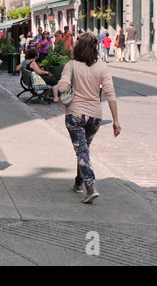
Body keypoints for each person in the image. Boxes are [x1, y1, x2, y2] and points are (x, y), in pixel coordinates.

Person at [57, 32, 121, 204]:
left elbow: (63, 85)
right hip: (94, 116)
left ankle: (90, 186)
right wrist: (115, 119)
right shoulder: (102, 67)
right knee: (83, 149)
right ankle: (78, 183)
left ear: (78, 47)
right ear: (95, 47)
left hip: (75, 115)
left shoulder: (71, 65)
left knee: (81, 150)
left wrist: (60, 86)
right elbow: (110, 94)